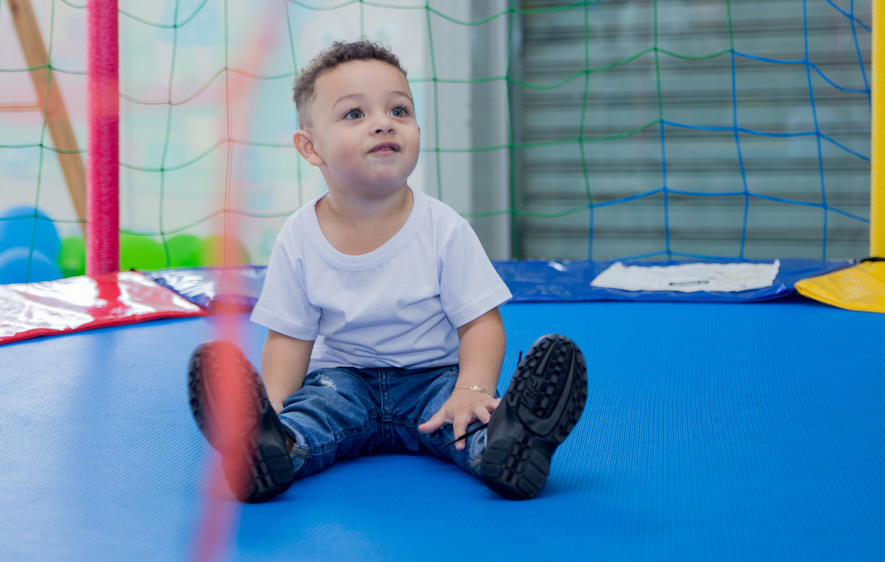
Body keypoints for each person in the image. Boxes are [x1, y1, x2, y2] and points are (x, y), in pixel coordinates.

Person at [187, 39, 587, 502]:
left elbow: (480, 322)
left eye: (399, 110)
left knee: (461, 419)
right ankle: (270, 446)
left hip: (432, 377)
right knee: (313, 416)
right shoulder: (298, 236)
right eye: (355, 114)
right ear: (310, 147)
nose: (383, 123)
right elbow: (289, 337)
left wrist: (472, 387)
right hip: (342, 380)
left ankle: (508, 445)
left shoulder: (443, 228)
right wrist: (275, 405)